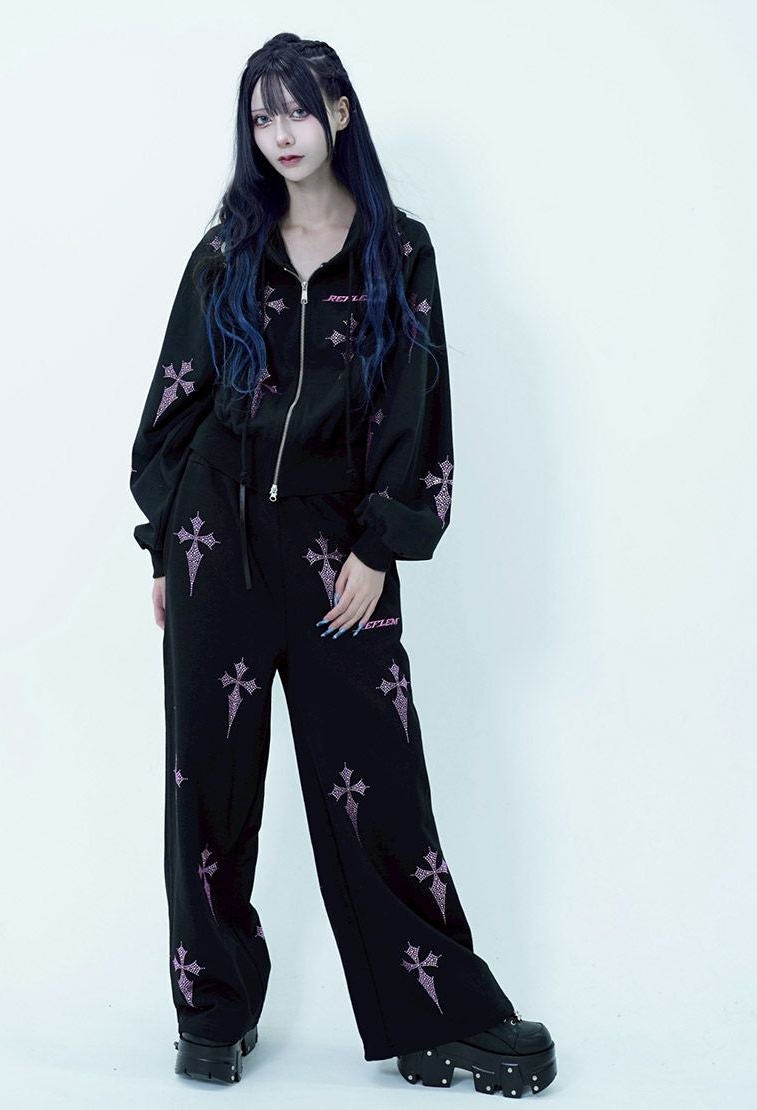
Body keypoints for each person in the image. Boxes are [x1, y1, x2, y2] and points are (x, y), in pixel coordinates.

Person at [129, 32, 557, 1095]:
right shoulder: (227, 251)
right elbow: (178, 397)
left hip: (338, 551)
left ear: (339, 114)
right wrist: (162, 546)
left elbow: (419, 405)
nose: (280, 134)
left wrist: (380, 542)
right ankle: (212, 1015)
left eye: (297, 110)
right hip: (216, 541)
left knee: (381, 782)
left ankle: (438, 1015)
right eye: (261, 115)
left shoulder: (396, 251)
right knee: (207, 782)